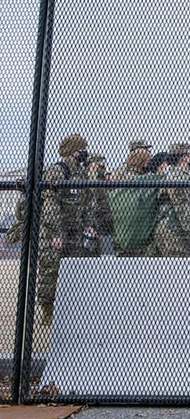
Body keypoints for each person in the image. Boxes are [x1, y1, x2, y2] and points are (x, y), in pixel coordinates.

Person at [37, 133, 96, 325]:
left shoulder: (82, 172)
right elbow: (50, 204)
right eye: (81, 150)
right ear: (72, 151)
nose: (84, 153)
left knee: (73, 270)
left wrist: (88, 224)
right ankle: (48, 313)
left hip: (75, 231)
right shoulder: (58, 171)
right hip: (56, 232)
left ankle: (70, 309)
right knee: (50, 271)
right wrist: (55, 233)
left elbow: (88, 201)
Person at [154, 143, 190, 257]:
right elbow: (181, 204)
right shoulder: (177, 176)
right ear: (184, 157)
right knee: (178, 268)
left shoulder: (177, 175)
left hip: (174, 228)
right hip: (175, 230)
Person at [111, 145, 152, 256]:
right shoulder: (137, 179)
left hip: (123, 229)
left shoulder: (125, 176)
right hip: (134, 230)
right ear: (142, 162)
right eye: (148, 160)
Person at [86, 153, 113, 256]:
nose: (103, 168)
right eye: (100, 165)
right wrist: (92, 173)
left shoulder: (104, 180)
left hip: (104, 219)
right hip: (93, 219)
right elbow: (93, 193)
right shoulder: (88, 177)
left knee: (104, 252)